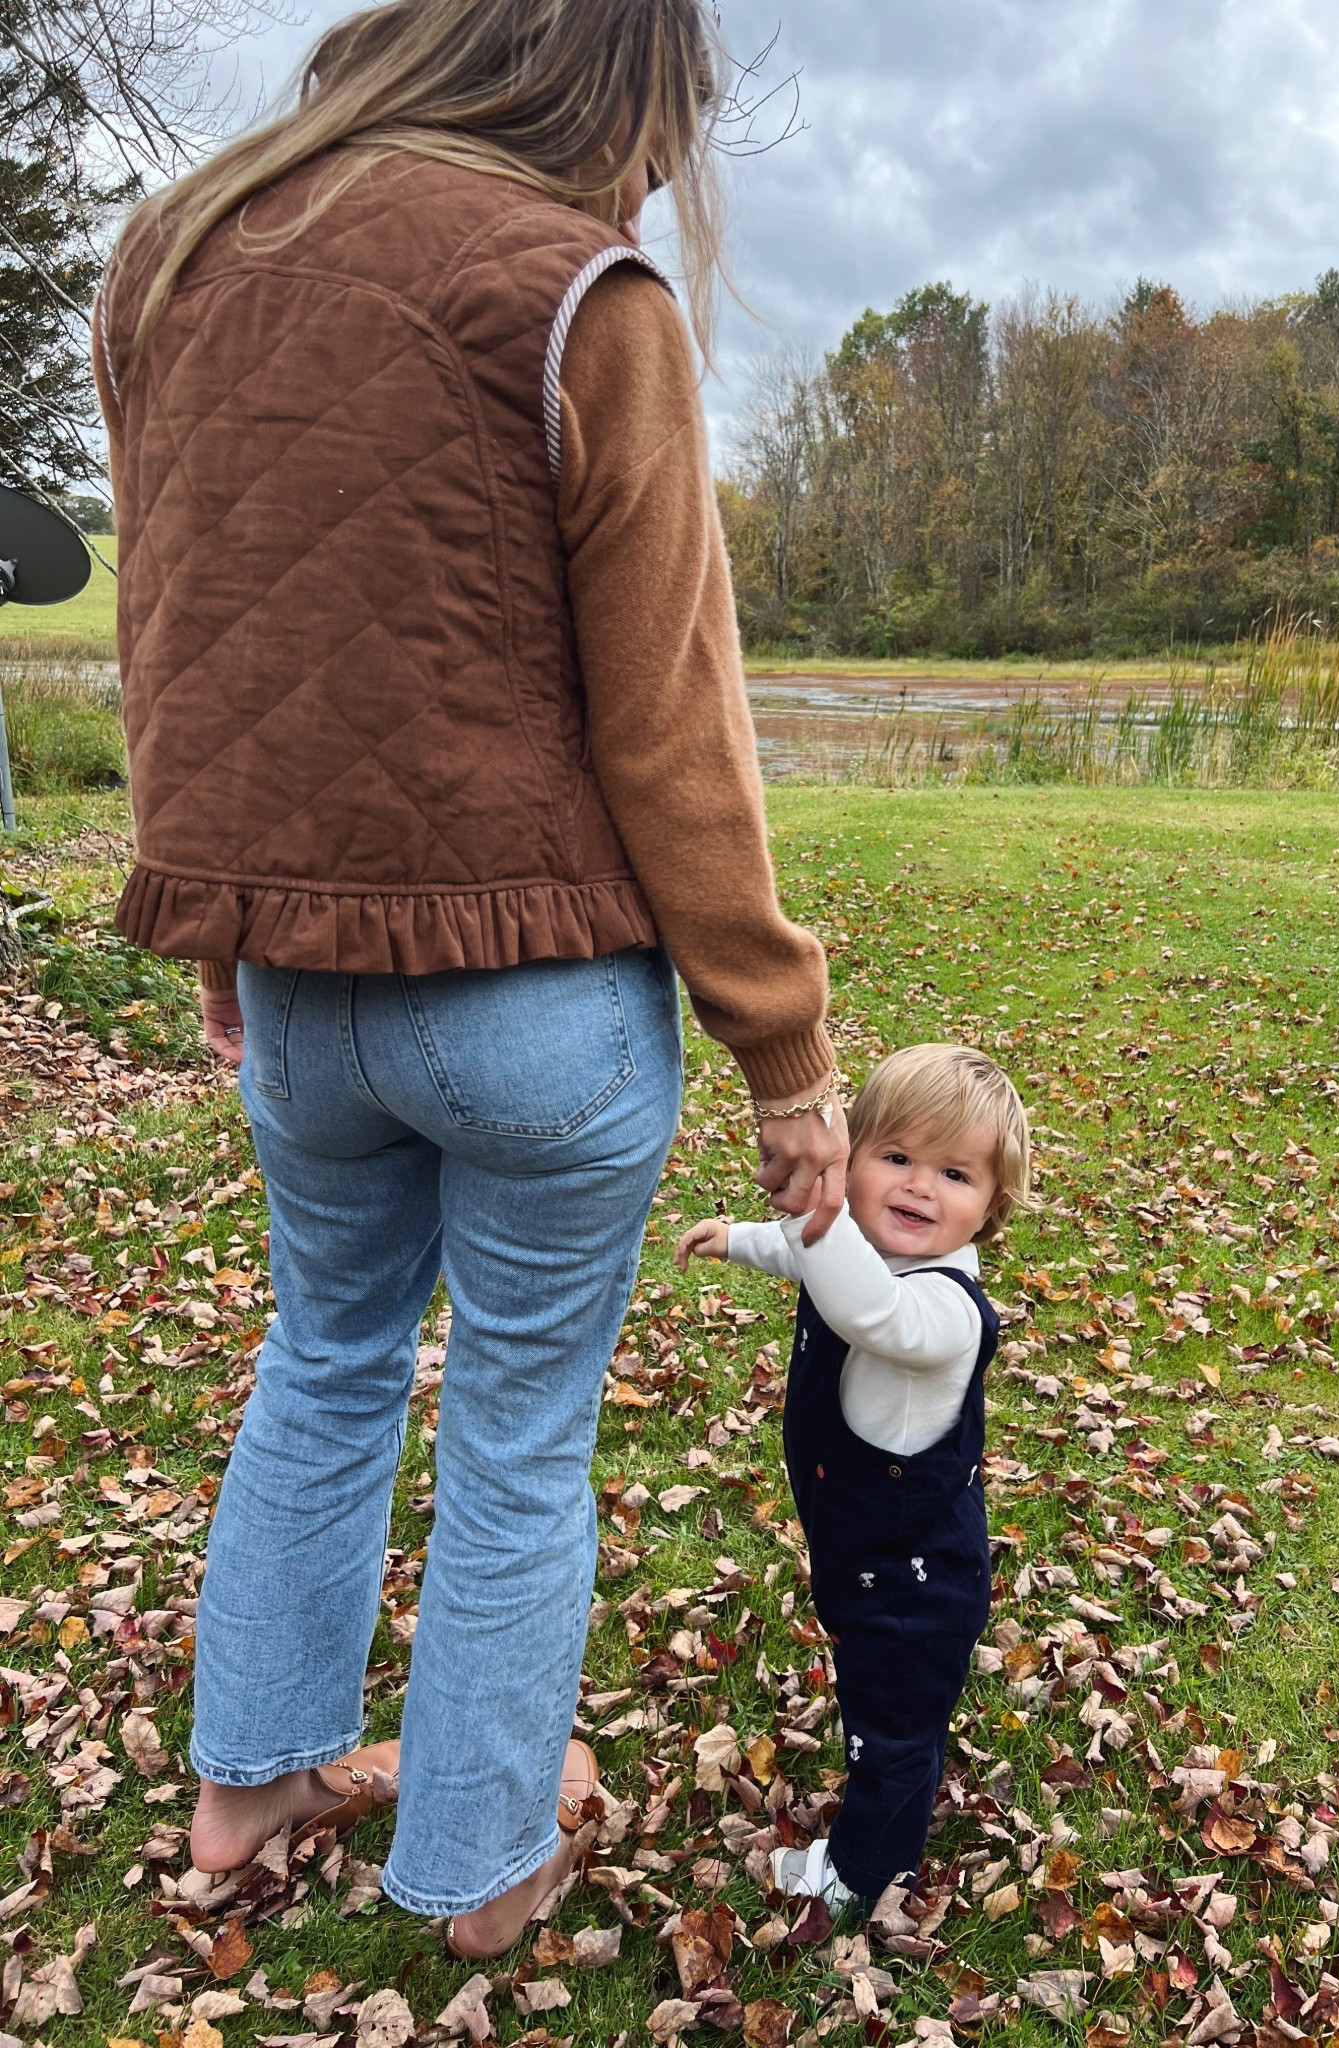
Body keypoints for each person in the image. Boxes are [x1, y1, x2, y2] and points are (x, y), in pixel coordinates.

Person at [92, 0, 850, 1962]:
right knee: (519, 1427)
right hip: (538, 998)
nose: (667, 170)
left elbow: (181, 644)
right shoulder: (577, 291)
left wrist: (214, 922)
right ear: (605, 82)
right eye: (667, 124)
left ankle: (242, 1795)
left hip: (305, 988)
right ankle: (486, 1870)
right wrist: (789, 1052)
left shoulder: (177, 257)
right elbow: (679, 737)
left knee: (322, 1366)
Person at [677, 1044, 1030, 1911]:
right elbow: (807, 1257)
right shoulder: (859, 1248)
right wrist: (740, 1240)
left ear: (989, 1207)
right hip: (864, 1555)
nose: (918, 1187)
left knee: (893, 1732)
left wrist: (817, 1211)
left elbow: (867, 1307)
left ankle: (867, 1874)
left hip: (917, 1582)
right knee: (879, 1705)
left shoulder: (943, 1308)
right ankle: (882, 1824)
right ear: (856, 1160)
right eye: (896, 1157)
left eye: (954, 1173)